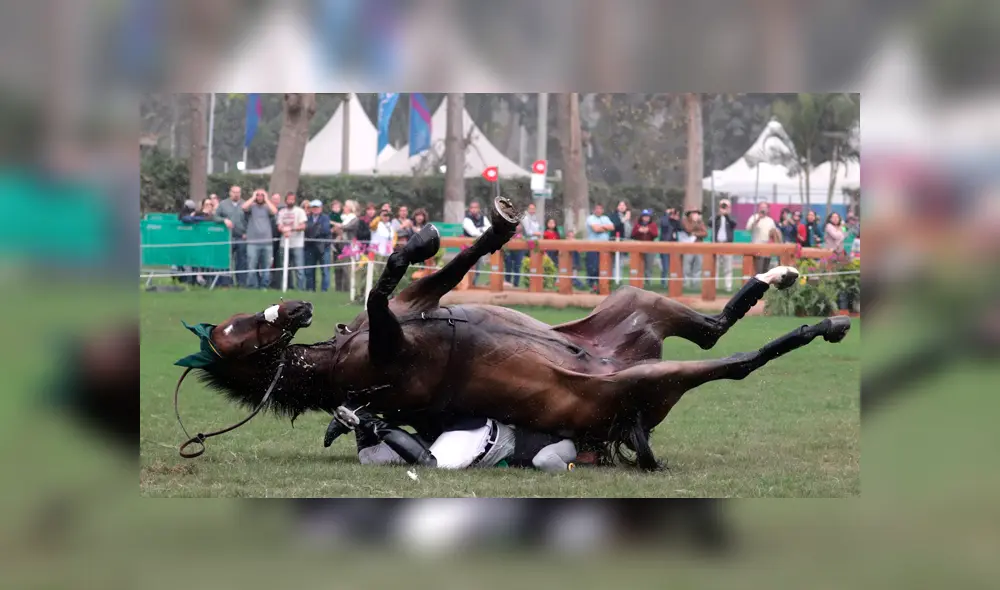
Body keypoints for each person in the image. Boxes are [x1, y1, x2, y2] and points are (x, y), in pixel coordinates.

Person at [324, 408, 578, 473]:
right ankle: (367, 419)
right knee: (433, 466)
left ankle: (353, 414)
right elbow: (544, 461)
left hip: (474, 437)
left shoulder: (548, 433)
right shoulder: (570, 448)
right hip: (483, 438)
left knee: (370, 459)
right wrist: (570, 470)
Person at [241, 188, 278, 289]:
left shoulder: (267, 207)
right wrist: (253, 197)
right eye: (258, 195)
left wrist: (266, 199)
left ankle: (264, 286)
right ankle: (252, 286)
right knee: (251, 266)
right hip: (253, 242)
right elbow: (243, 207)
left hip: (267, 242)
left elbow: (275, 211)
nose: (260, 197)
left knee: (266, 267)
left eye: (262, 195)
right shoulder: (251, 207)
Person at [215, 185, 247, 287]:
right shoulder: (223, 204)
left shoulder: (245, 204)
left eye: (238, 192)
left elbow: (250, 219)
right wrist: (224, 220)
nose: (236, 194)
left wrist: (247, 232)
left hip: (241, 237)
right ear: (230, 192)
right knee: (226, 260)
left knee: (241, 261)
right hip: (228, 237)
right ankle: (226, 283)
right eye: (234, 192)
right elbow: (215, 216)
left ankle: (241, 283)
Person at [277, 192, 308, 290]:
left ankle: (300, 288)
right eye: (289, 199)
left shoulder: (300, 211)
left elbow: (303, 226)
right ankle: (288, 287)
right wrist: (283, 230)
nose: (290, 201)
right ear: (286, 200)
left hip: (297, 244)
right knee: (285, 267)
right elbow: (279, 226)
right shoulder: (282, 212)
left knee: (299, 268)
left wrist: (291, 229)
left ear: (295, 200)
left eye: (292, 199)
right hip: (284, 244)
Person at [584, 203, 615, 291]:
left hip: (604, 247)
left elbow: (612, 227)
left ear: (603, 210)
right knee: (592, 266)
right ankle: (591, 285)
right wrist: (605, 227)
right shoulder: (590, 218)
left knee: (603, 267)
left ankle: (602, 285)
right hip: (593, 247)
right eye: (597, 209)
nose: (598, 210)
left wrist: (601, 227)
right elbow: (595, 229)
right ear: (594, 210)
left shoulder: (605, 218)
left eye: (600, 209)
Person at [304, 200, 332, 292]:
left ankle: (324, 290)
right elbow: (306, 230)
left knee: (325, 270)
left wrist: (313, 229)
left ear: (321, 208)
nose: (315, 209)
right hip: (310, 247)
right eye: (314, 207)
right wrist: (315, 229)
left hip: (323, 248)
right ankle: (310, 289)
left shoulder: (325, 218)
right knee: (309, 270)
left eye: (317, 207)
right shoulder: (308, 218)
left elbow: (325, 230)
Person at [710, 199, 737, 292]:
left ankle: (728, 286)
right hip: (716, 244)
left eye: (726, 206)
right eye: (722, 206)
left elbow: (734, 224)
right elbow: (710, 223)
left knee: (728, 267)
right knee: (715, 266)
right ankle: (715, 286)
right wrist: (718, 215)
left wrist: (726, 215)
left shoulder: (731, 217)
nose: (724, 208)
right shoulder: (716, 217)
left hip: (727, 244)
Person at [462, 200, 492, 285]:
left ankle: (474, 284)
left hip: (479, 247)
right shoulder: (466, 219)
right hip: (468, 248)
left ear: (479, 209)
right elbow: (473, 233)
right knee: (468, 268)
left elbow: (490, 229)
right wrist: (482, 229)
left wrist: (480, 230)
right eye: (472, 208)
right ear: (469, 209)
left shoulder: (484, 218)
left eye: (476, 207)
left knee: (478, 268)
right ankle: (467, 285)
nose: (474, 209)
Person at [746, 202, 779, 274]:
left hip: (767, 249)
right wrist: (758, 219)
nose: (763, 209)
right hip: (756, 248)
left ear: (768, 210)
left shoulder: (770, 220)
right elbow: (748, 229)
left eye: (765, 208)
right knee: (758, 271)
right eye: (761, 207)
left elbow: (774, 233)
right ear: (759, 208)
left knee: (765, 271)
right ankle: (757, 285)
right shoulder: (753, 217)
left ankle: (763, 285)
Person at [679, 210, 708, 290]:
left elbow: (705, 233)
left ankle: (695, 285)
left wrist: (695, 233)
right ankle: (686, 284)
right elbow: (688, 229)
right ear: (689, 215)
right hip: (688, 247)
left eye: (697, 214)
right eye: (694, 213)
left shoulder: (700, 222)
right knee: (686, 267)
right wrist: (696, 226)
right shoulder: (685, 221)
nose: (696, 215)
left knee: (697, 267)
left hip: (699, 247)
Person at [631, 209, 659, 285]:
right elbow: (632, 235)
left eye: (647, 217)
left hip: (650, 247)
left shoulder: (653, 225)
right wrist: (639, 231)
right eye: (644, 216)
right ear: (642, 217)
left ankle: (648, 281)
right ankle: (638, 281)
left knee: (649, 265)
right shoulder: (637, 225)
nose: (646, 218)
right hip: (638, 247)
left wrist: (648, 230)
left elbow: (656, 234)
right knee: (638, 265)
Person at [659, 207, 680, 288]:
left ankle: (673, 284)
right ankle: (664, 283)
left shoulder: (675, 221)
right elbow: (664, 223)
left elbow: (681, 227)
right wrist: (667, 214)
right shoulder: (665, 219)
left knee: (674, 267)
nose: (672, 214)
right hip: (665, 246)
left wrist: (677, 217)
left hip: (674, 246)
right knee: (665, 266)